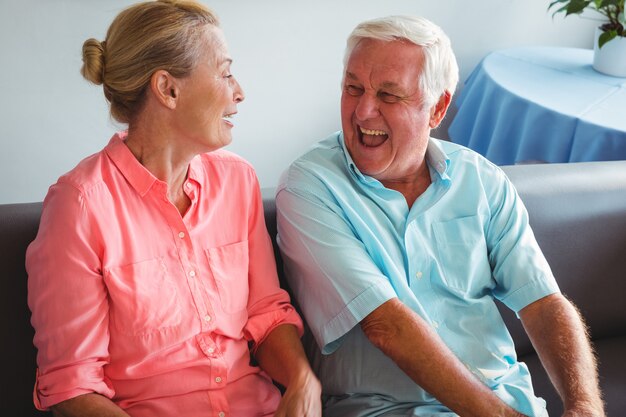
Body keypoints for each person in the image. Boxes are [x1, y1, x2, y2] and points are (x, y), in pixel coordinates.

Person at [276, 15, 605, 417]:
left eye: (388, 95)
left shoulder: (482, 180)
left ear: (438, 108)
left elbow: (543, 303)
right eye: (353, 88)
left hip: (505, 399)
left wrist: (585, 407)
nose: (363, 111)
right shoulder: (309, 186)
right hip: (385, 410)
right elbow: (386, 326)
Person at [26, 1, 321, 416]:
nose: (239, 92)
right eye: (225, 72)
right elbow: (72, 386)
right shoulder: (80, 206)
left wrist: (303, 382)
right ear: (168, 89)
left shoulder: (238, 181)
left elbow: (266, 314)